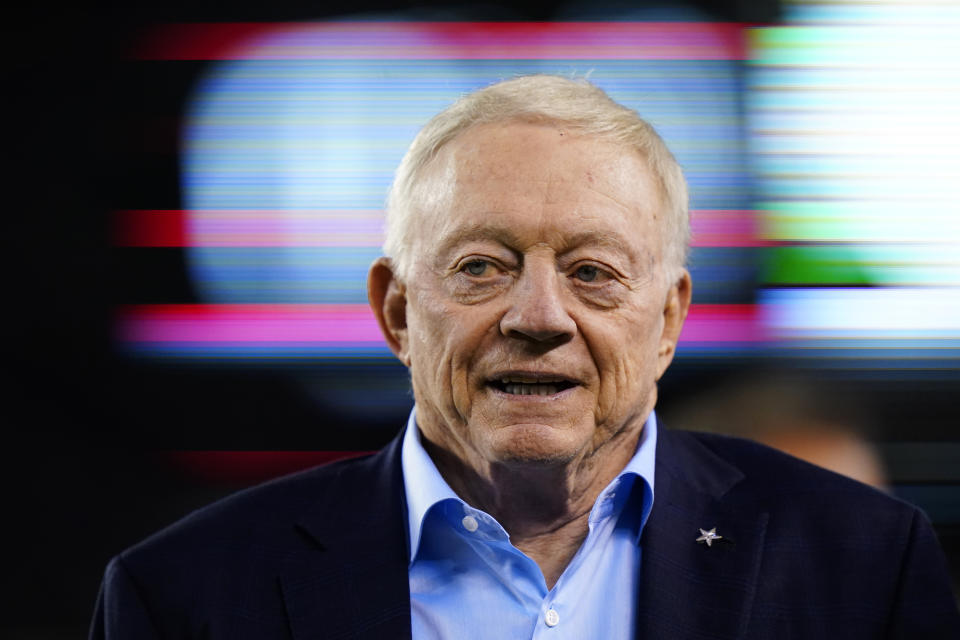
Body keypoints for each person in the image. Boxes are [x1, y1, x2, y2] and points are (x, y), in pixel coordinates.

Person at [90, 75, 959, 639]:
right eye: (481, 267)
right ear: (395, 311)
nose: (539, 317)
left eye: (593, 272)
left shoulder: (866, 565)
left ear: (668, 319)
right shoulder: (180, 599)